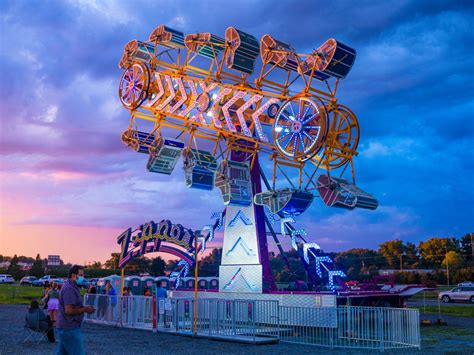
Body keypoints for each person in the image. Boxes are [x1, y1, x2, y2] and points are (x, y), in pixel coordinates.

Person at [56, 265, 95, 355]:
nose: (82, 278)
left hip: (65, 328)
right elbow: (68, 311)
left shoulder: (72, 287)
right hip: (69, 328)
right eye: (81, 275)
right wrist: (85, 309)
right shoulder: (69, 289)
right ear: (73, 275)